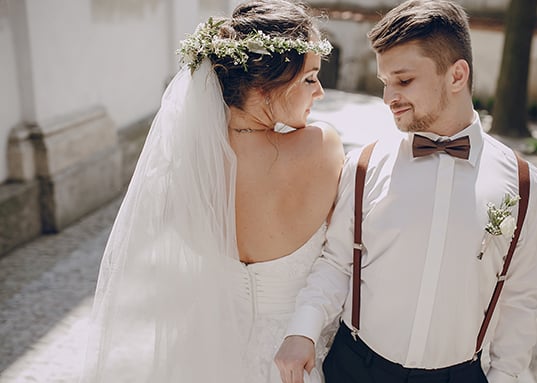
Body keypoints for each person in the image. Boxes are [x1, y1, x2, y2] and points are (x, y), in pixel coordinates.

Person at [275, 1, 537, 382]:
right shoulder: (364, 165)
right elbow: (337, 261)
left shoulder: (525, 186)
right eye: (385, 83)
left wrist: (505, 376)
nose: (389, 98)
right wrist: (302, 329)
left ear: (457, 76)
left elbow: (522, 301)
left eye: (403, 81)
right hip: (356, 368)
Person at [80, 1, 344, 382]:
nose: (319, 92)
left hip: (207, 353)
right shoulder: (322, 145)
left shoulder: (187, 161)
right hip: (294, 356)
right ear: (265, 85)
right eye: (309, 78)